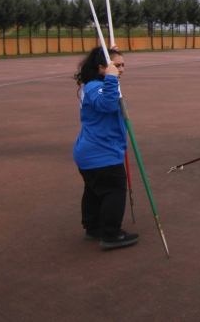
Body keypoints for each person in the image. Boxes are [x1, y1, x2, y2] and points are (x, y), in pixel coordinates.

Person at [73, 46, 139, 250]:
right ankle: (111, 233)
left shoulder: (95, 86)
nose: (121, 70)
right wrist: (111, 78)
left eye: (122, 65)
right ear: (102, 68)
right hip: (101, 153)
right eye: (116, 65)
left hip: (94, 151)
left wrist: (109, 50)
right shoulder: (96, 87)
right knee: (114, 190)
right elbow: (108, 105)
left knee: (94, 190)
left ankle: (93, 227)